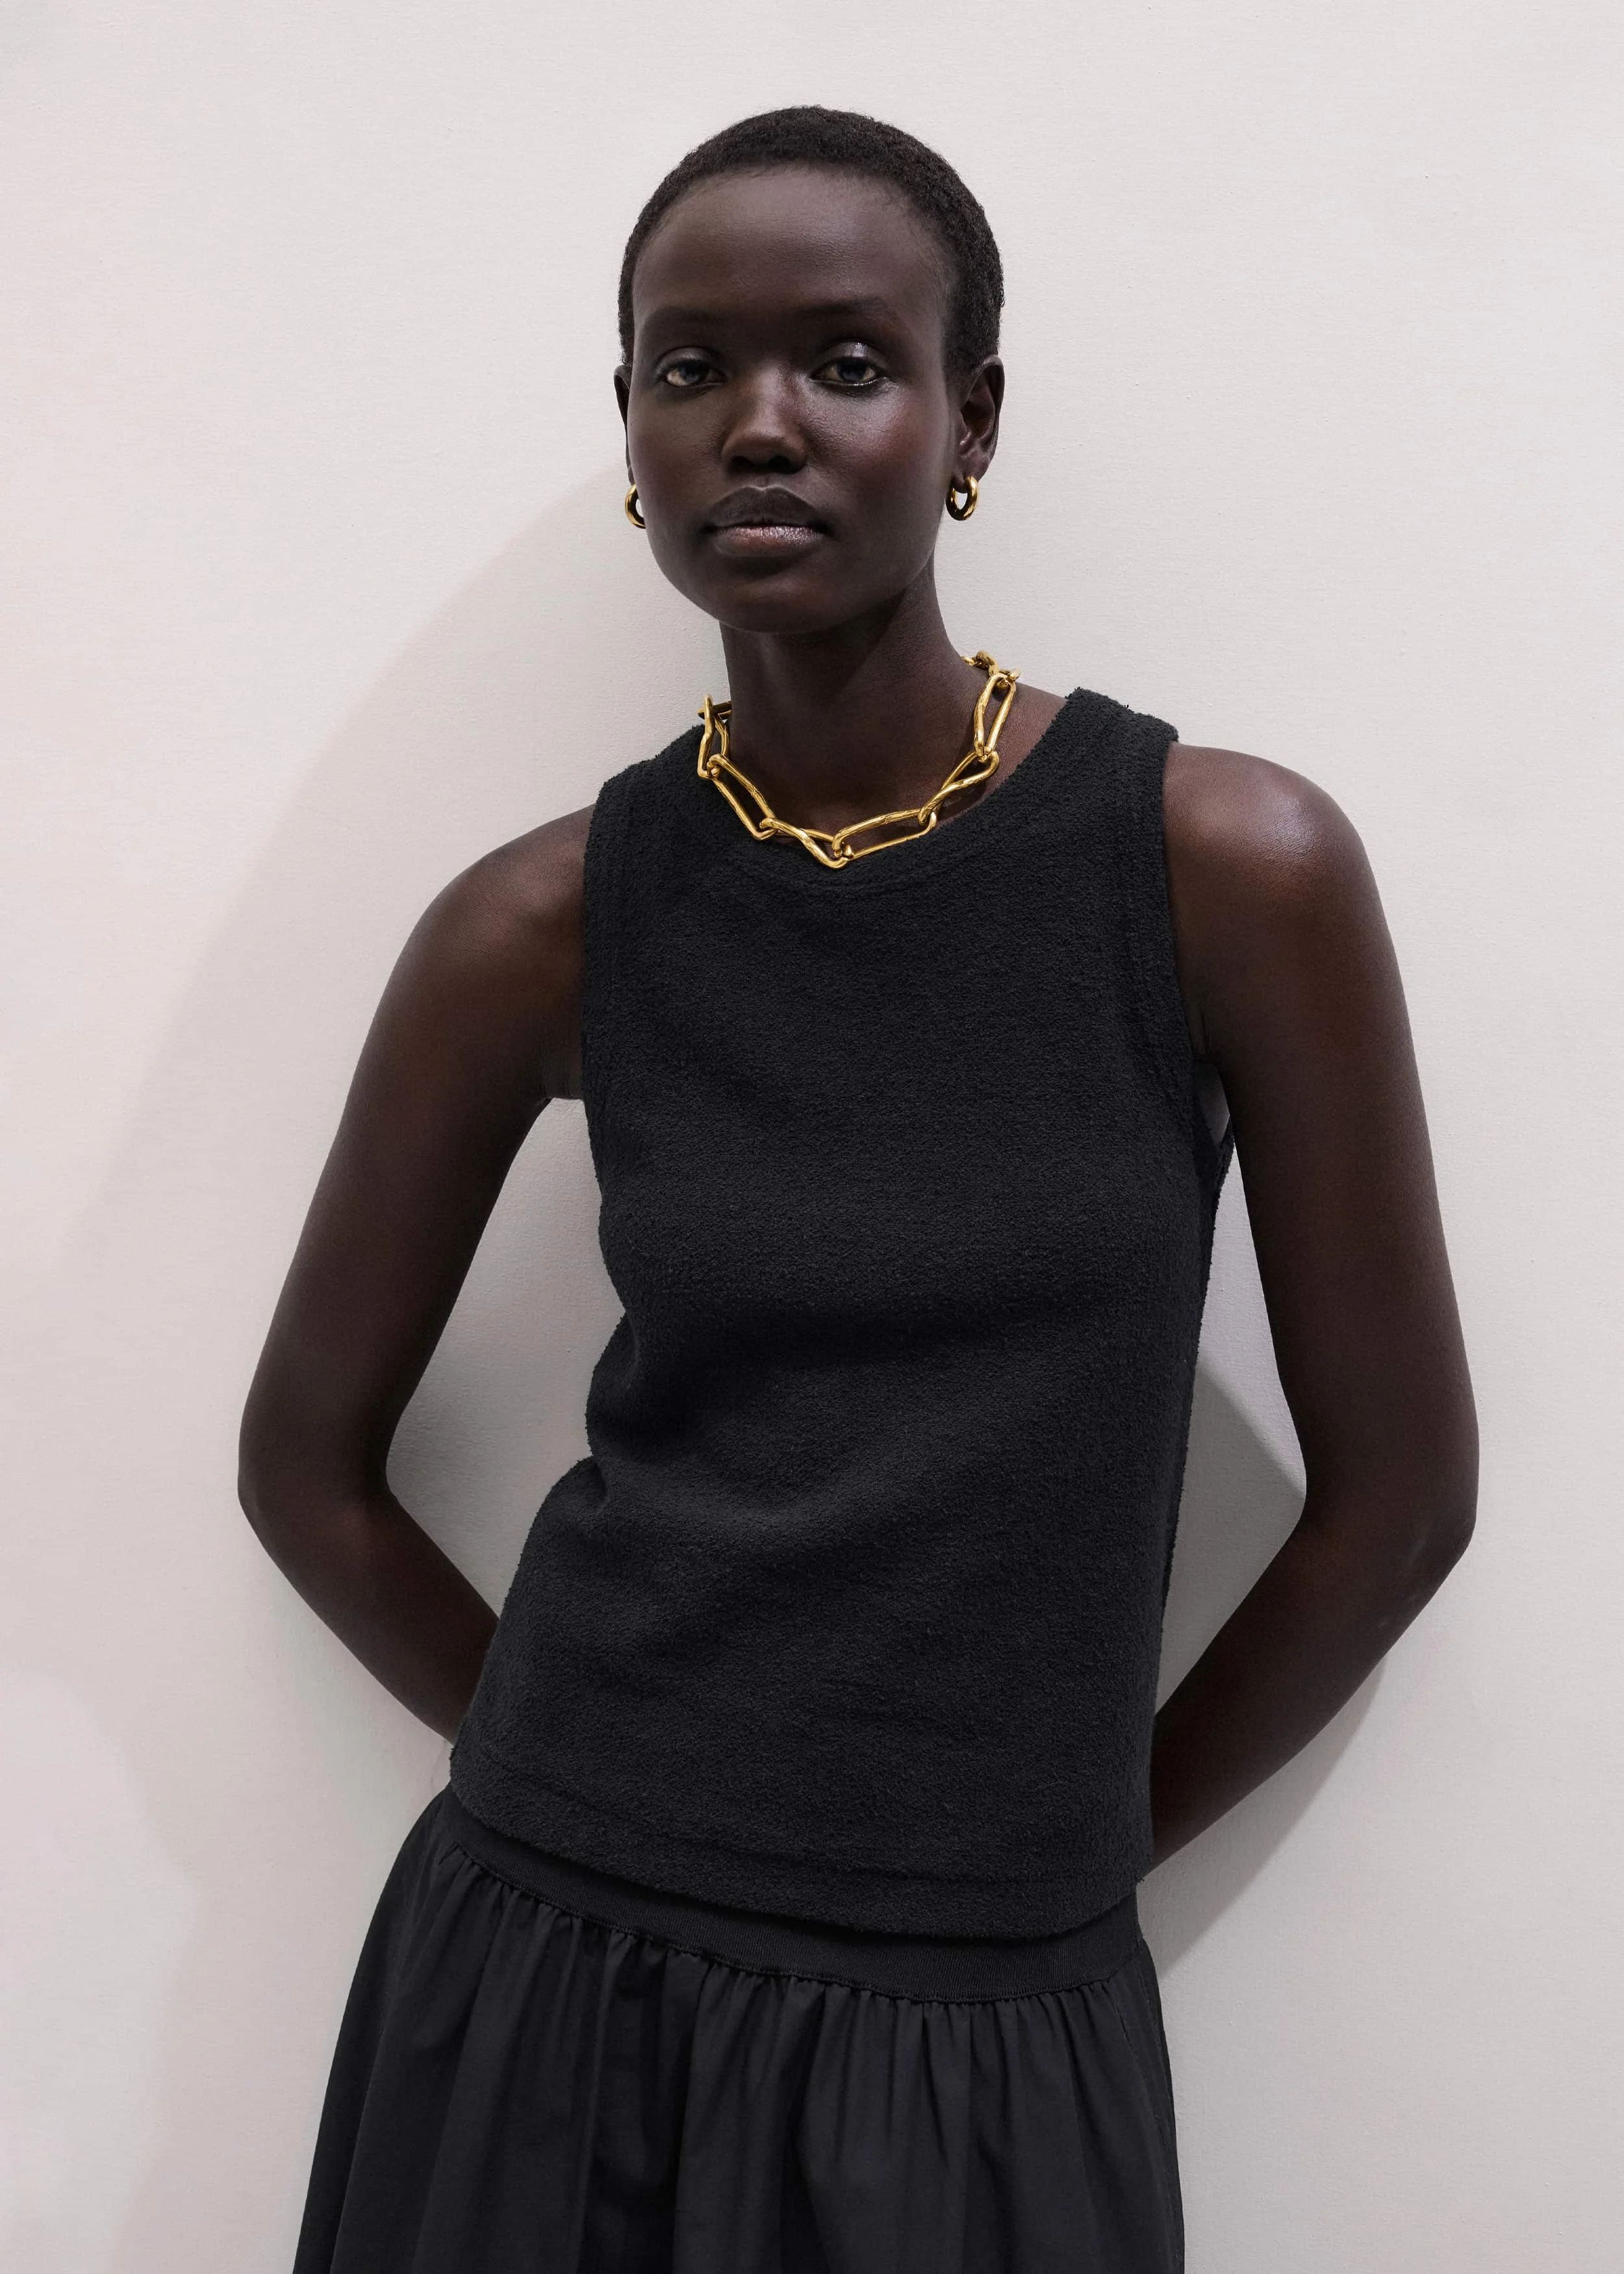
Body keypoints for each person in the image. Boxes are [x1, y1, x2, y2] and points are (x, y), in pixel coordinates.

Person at [239, 105, 1477, 2274]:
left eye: (842, 360)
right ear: (630, 435)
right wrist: (576, 1767)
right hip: (552, 1970)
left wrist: (1070, 1849)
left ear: (965, 422)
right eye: (688, 368)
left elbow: (1400, 1502)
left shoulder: (1223, 870)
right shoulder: (539, 925)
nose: (757, 425)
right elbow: (301, 1467)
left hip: (984, 2009)